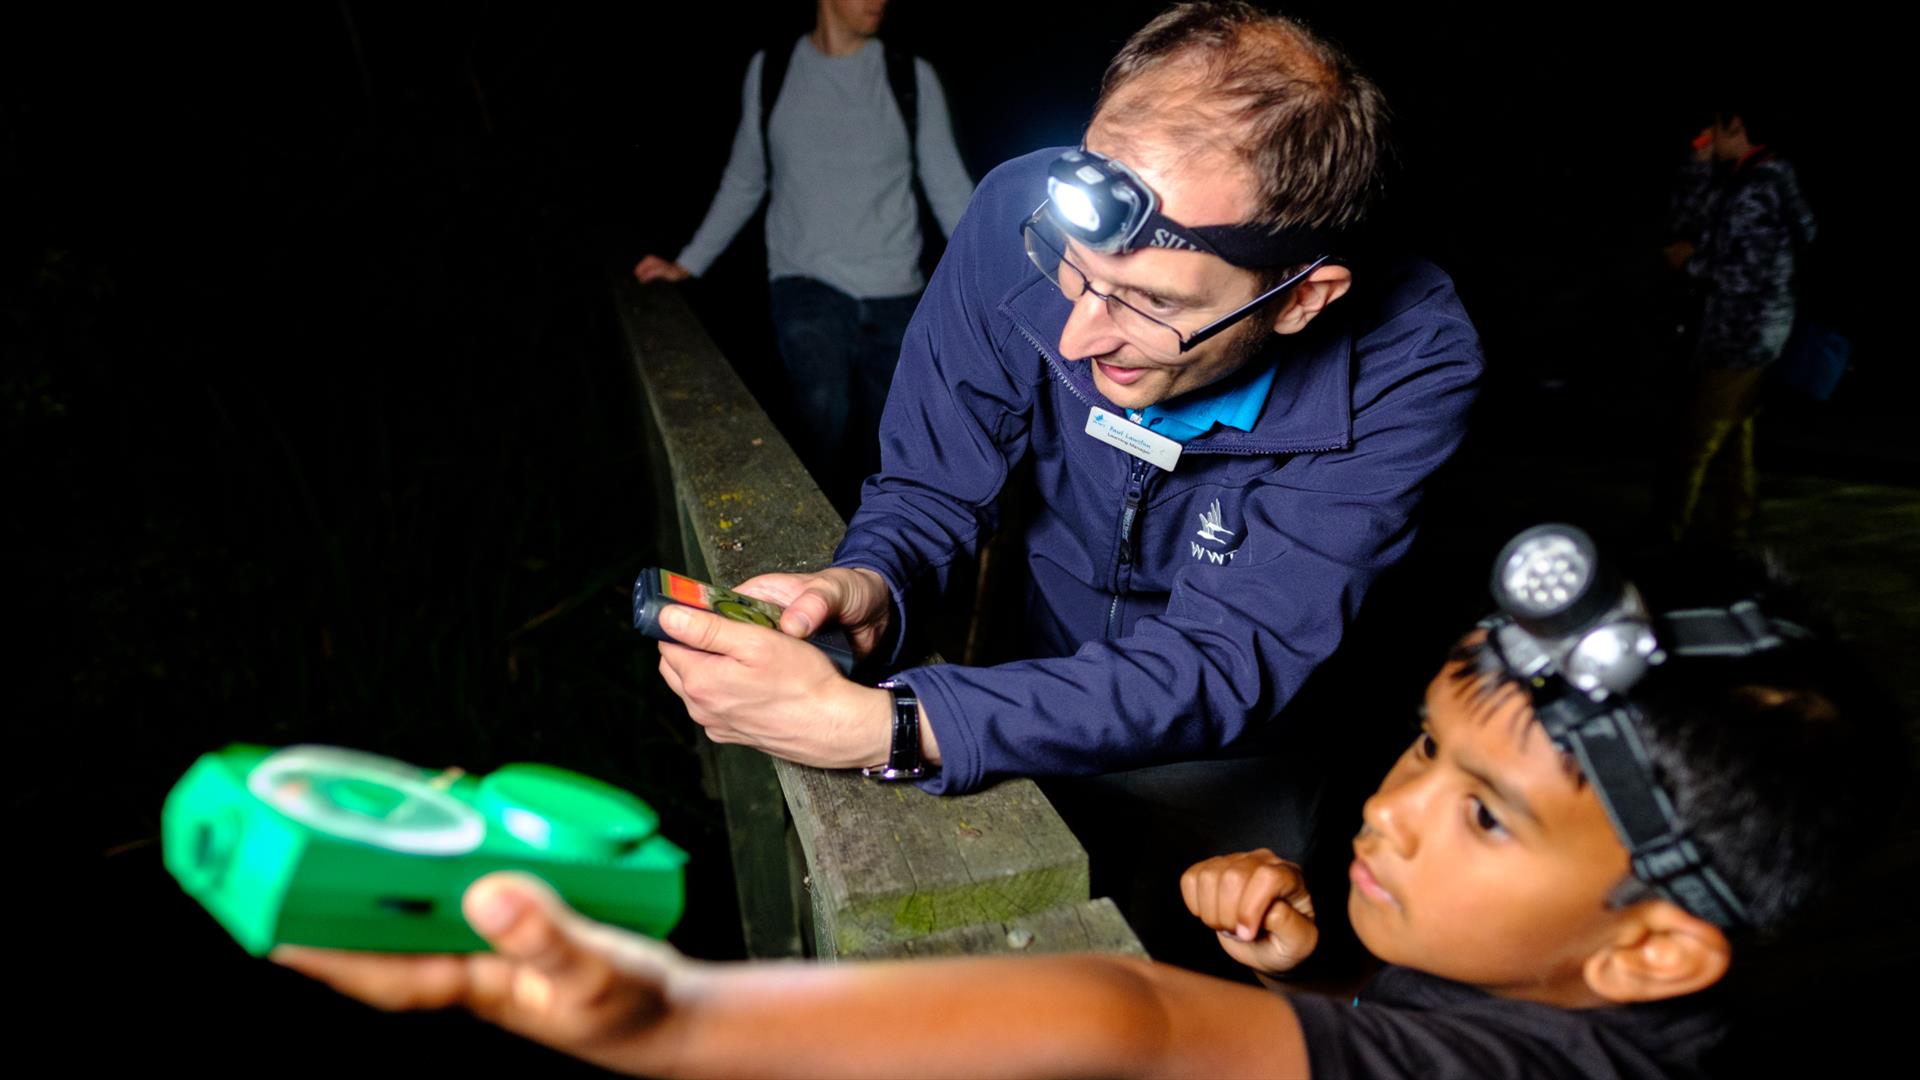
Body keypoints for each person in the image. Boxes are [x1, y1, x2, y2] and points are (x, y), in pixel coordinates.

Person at [280, 530, 1906, 1079]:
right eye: (1422, 749)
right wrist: (1317, 981)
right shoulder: (1576, 998)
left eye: (1487, 817)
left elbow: (1128, 1024)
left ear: (1648, 953)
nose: (1395, 815)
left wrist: (677, 1014)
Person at [652, 2, 1481, 952]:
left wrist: (892, 727)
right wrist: (872, 579)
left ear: (1304, 299)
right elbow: (929, 483)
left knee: (1183, 971)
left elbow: (1227, 657)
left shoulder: (1412, 362)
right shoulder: (1015, 212)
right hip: (1034, 670)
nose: (1079, 336)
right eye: (1072, 272)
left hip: (1243, 751)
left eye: (1152, 304)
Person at [633, 0, 974, 511]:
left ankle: (878, 565)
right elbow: (746, 179)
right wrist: (688, 262)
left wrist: (1011, 276)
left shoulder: (909, 76)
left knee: (897, 446)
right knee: (820, 409)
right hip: (806, 284)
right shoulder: (771, 72)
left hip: (896, 295)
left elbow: (949, 189)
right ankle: (808, 546)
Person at [1657, 105, 1816, 546]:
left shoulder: (1758, 187)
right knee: (1732, 437)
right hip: (1747, 331)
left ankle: (1664, 537)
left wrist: (1692, 262)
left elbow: (1750, 271)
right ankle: (1733, 536)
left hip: (1744, 334)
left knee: (1694, 440)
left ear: (1738, 127)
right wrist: (1698, 164)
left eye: (1714, 126)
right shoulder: (1747, 177)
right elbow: (1690, 219)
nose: (1706, 134)